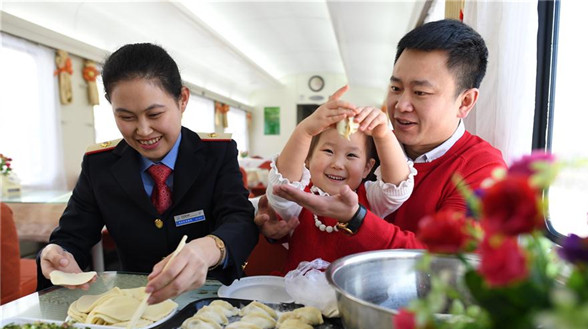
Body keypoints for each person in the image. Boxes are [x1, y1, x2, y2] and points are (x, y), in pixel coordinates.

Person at [257, 19, 506, 250]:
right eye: (396, 88)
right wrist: (278, 229)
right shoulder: (367, 142)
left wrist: (356, 220)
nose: (401, 105)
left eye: (420, 93)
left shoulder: (481, 169)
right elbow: (300, 195)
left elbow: (444, 258)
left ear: (465, 102)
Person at [37, 43, 258, 304]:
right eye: (127, 117)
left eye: (154, 114)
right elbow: (72, 235)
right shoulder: (100, 165)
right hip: (137, 302)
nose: (143, 131)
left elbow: (239, 219)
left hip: (212, 296)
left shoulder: (216, 153)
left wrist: (211, 247)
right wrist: (58, 254)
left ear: (182, 99)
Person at [266, 85, 415, 274]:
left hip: (353, 297)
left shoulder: (371, 198)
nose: (337, 163)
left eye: (351, 156)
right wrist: (305, 130)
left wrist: (383, 134)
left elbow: (397, 188)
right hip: (301, 300)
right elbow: (282, 183)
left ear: (367, 168)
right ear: (308, 159)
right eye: (328, 151)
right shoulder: (298, 200)